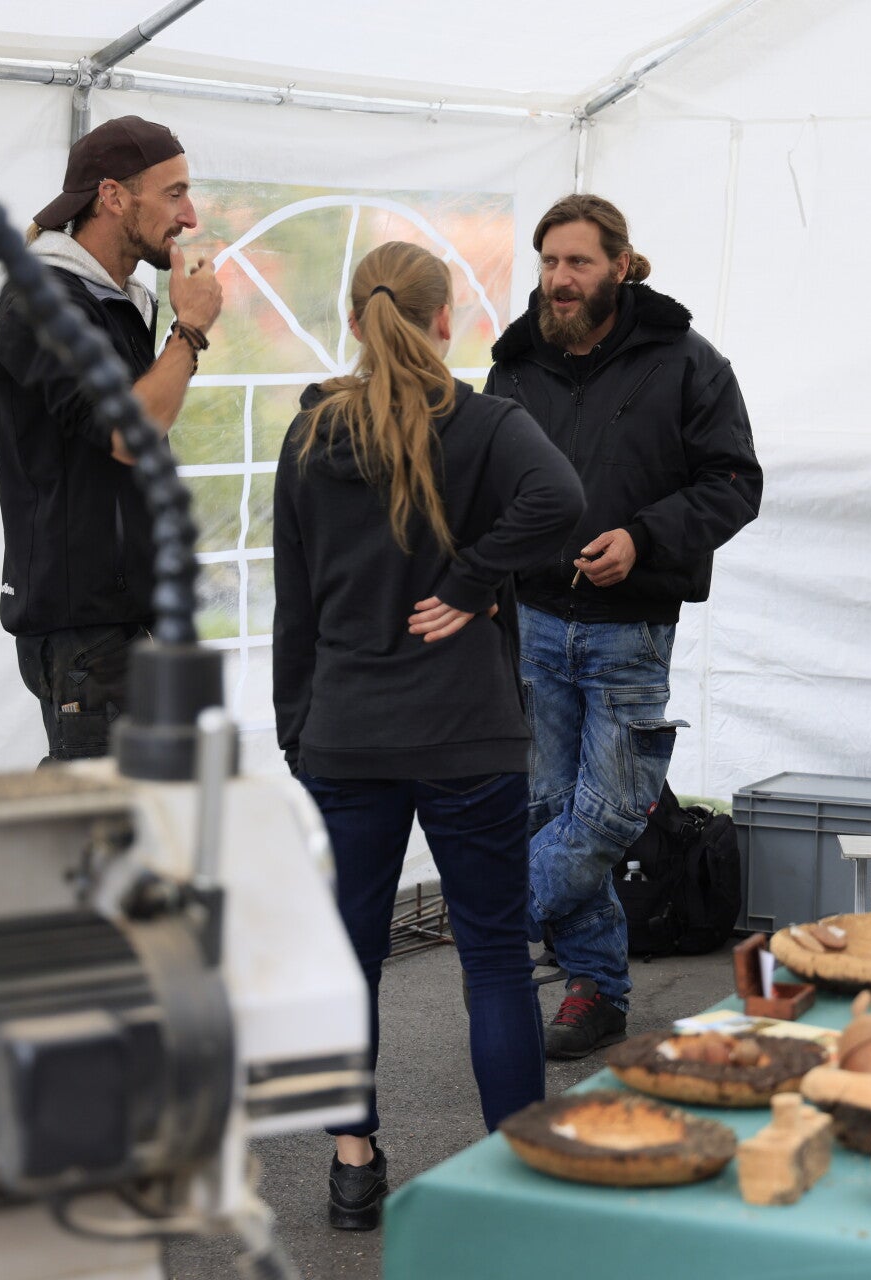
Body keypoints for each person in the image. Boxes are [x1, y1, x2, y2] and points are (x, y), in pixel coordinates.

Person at [273, 241, 585, 1230]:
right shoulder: (487, 424)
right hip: (466, 734)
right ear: (444, 320)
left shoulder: (311, 434)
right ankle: (515, 1174)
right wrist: (470, 580)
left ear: (354, 322)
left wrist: (296, 731)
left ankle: (352, 1166)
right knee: (493, 959)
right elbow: (563, 499)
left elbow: (293, 602)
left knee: (348, 958)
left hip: (346, 736)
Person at [484, 194, 764, 1059]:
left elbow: (734, 483)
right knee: (546, 810)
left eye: (577, 262)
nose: (558, 279)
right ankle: (596, 989)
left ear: (620, 264)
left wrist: (642, 539)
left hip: (630, 626)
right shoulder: (514, 365)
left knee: (606, 817)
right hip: (531, 620)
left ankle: (494, 911)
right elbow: (483, 484)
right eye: (548, 262)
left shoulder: (687, 362)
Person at [0, 115, 223, 762]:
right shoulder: (45, 303)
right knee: (106, 812)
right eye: (174, 194)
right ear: (113, 196)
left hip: (126, 623)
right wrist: (190, 330)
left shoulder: (117, 301)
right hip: (85, 634)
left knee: (147, 807)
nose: (190, 217)